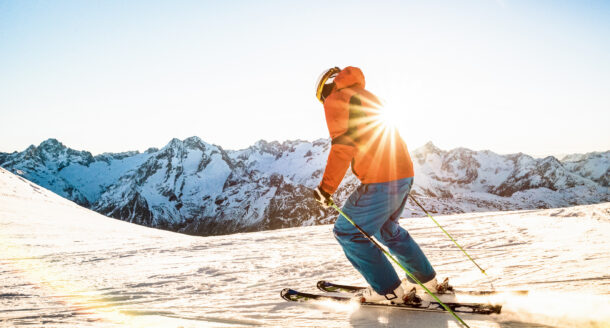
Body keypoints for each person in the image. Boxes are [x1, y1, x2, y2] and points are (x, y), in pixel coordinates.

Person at [312, 66, 447, 304]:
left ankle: (388, 290)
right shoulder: (367, 96)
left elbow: (343, 146)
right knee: (388, 230)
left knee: (347, 231)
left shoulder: (336, 99)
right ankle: (424, 281)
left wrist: (326, 189)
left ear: (326, 88)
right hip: (402, 172)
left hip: (382, 179)